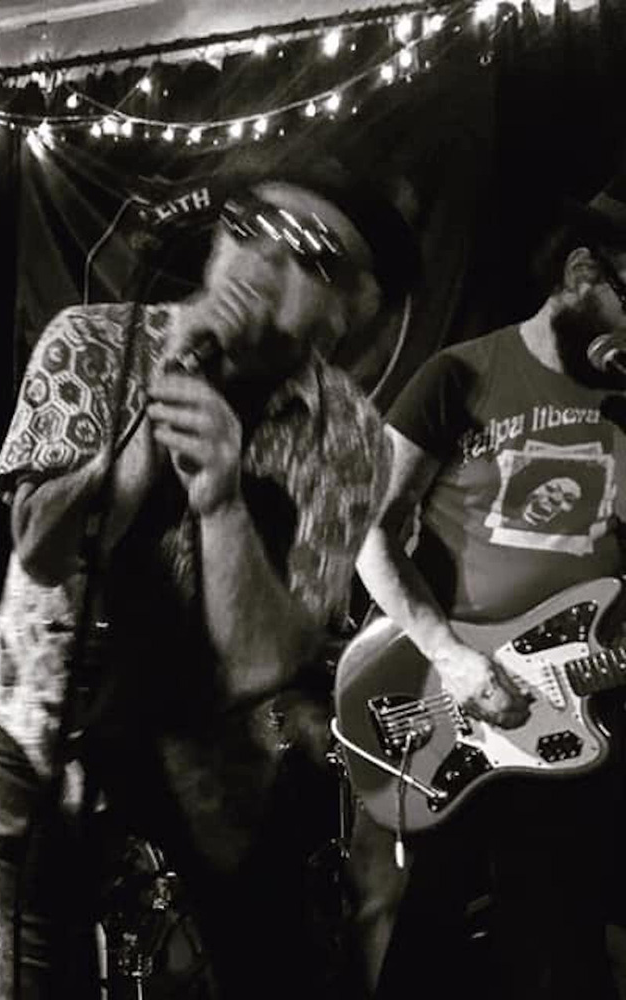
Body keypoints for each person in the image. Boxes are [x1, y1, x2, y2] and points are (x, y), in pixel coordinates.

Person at [0, 161, 418, 997]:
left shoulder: (348, 432)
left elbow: (263, 660)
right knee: (36, 966)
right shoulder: (90, 341)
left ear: (353, 309)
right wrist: (139, 442)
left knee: (261, 966)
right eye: (247, 223)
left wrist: (221, 500)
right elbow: (39, 549)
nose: (261, 258)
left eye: (310, 252)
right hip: (39, 714)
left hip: (205, 749)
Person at [350, 175, 626, 999]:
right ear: (583, 273)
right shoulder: (457, 377)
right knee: (432, 939)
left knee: (566, 940)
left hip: (587, 704)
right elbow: (368, 534)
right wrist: (452, 656)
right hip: (464, 702)